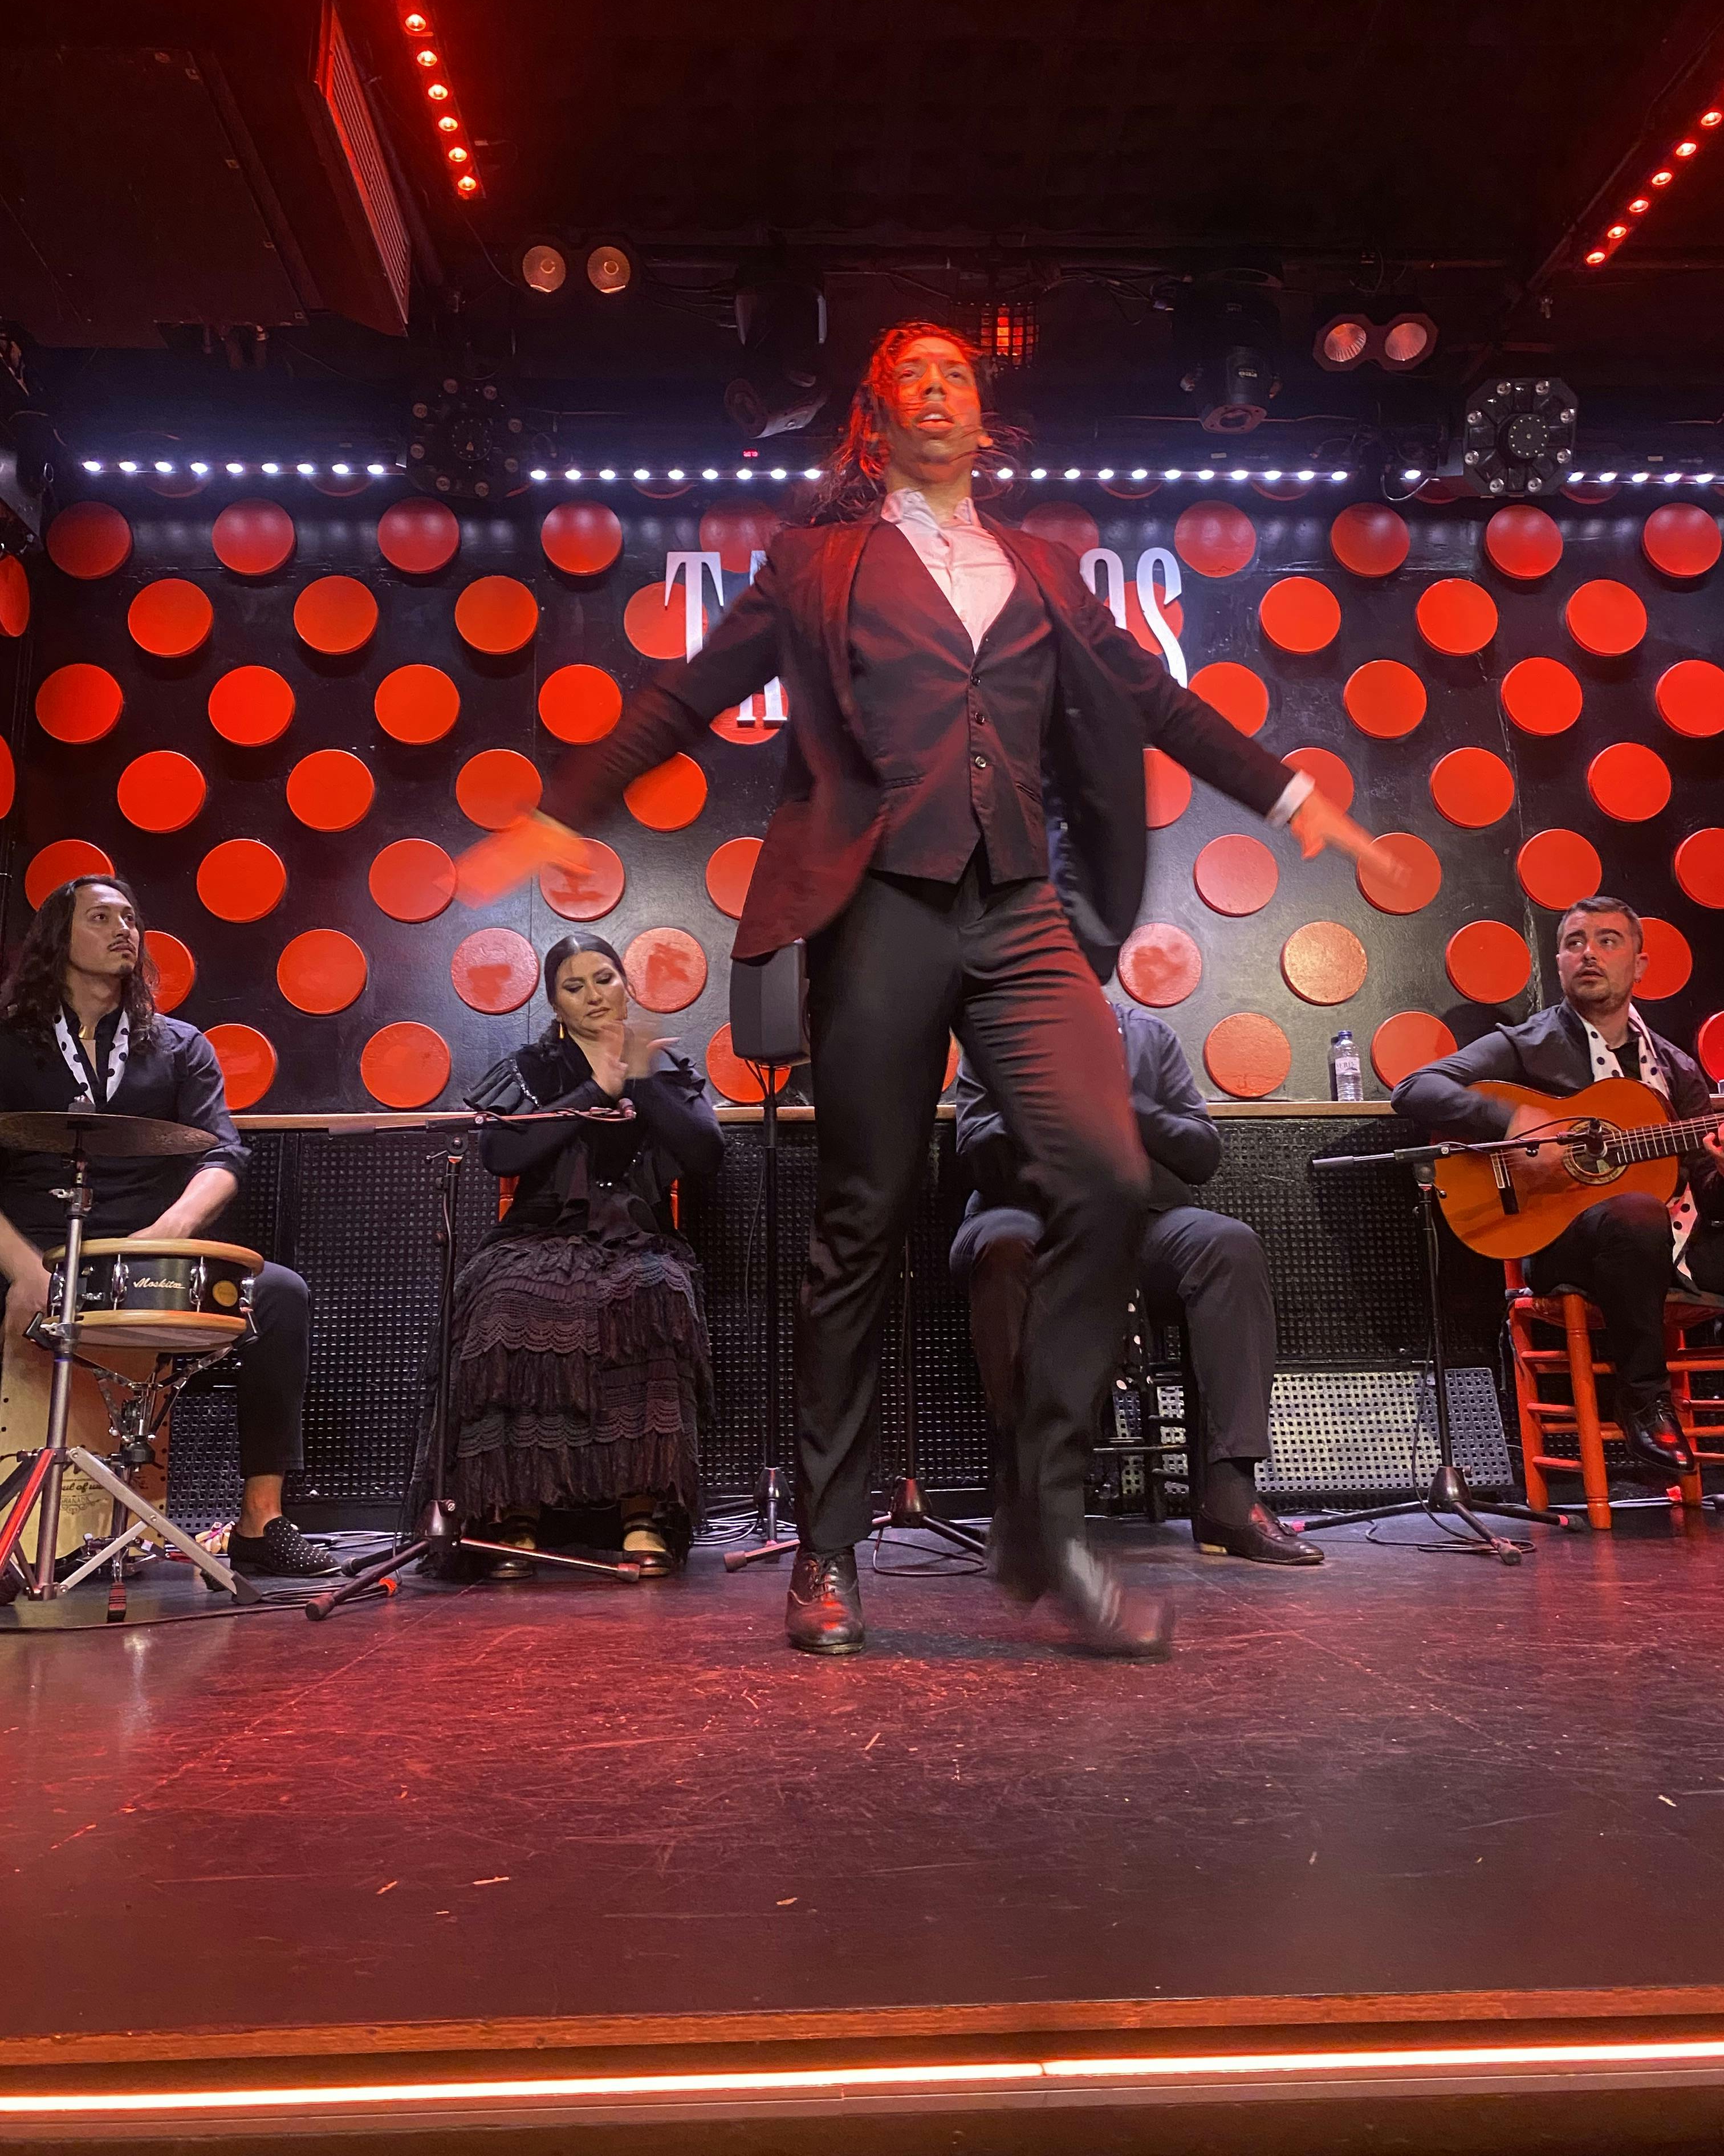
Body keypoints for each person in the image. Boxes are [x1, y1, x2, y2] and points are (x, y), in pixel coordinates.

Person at [461, 321, 1396, 1657]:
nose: (940, 390)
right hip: (881, 902)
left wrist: (1295, 795)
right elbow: (691, 690)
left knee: (1110, 1176)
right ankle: (829, 1552)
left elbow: (1154, 698)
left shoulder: (1043, 567)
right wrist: (570, 805)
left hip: (1018, 907)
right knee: (863, 1222)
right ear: (877, 419)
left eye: (959, 373)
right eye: (915, 376)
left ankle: (1046, 1525)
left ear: (982, 413)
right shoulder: (814, 562)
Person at [0, 875, 334, 1576]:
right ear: (57, 938)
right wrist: (24, 1270)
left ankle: (261, 1520)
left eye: (130, 917)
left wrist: (168, 1234)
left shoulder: (180, 1046)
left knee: (281, 1296)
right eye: (101, 918)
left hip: (144, 1254)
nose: (123, 930)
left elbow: (224, 1155)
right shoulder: (7, 1044)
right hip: (28, 1252)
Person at [952, 1003, 1322, 1568]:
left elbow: (1202, 1154)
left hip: (1139, 1222)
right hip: (1026, 1216)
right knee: (1003, 1251)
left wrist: (1130, 1106)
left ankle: (1229, 1498)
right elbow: (976, 1151)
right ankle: (1030, 1503)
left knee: (1228, 1245)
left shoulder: (1150, 1037)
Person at [1392, 895, 1724, 1475]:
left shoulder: (1676, 1071)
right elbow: (1415, 1089)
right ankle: (1643, 1401)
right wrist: (1510, 1119)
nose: (1589, 953)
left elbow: (1709, 1192)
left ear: (1640, 965)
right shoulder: (1529, 1043)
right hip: (1565, 1243)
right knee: (1636, 1212)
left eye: (1608, 941)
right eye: (1575, 942)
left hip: (1676, 1246)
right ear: (1560, 962)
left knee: (1646, 1214)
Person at [452, 931, 722, 1575]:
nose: (594, 995)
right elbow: (500, 1155)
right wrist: (594, 1089)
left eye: (605, 979)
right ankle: (516, 1513)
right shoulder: (532, 1067)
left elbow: (707, 1154)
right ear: (556, 1003)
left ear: (626, 985)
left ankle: (641, 1513)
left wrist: (636, 1074)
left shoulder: (657, 1061)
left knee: (657, 1292)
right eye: (574, 987)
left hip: (636, 1235)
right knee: (506, 1299)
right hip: (538, 1235)